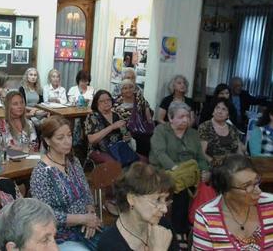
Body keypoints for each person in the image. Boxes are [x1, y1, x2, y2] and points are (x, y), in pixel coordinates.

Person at [30, 115, 102, 251]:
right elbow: (46, 215)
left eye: (69, 135)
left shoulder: (73, 161)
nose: (67, 141)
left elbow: (86, 192)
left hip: (86, 225)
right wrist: (82, 219)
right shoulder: (41, 173)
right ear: (47, 141)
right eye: (60, 138)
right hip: (60, 235)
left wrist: (90, 215)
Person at [149, 101, 209, 247]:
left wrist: (205, 171)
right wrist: (175, 169)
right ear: (170, 118)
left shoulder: (193, 134)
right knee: (180, 187)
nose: (185, 120)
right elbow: (160, 154)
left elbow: (200, 157)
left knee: (208, 184)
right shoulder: (161, 131)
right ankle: (178, 230)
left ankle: (198, 225)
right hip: (164, 169)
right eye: (181, 116)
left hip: (188, 173)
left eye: (187, 116)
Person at [192, 154, 273, 250]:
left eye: (256, 181)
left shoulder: (270, 204)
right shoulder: (206, 217)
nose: (258, 191)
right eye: (247, 186)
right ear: (226, 192)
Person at [97, 162, 177, 251]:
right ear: (131, 199)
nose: (165, 209)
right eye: (157, 200)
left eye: (165, 200)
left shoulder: (164, 226)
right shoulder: (108, 244)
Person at [85, 90, 134, 164]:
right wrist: (112, 127)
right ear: (96, 103)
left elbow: (124, 132)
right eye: (102, 101)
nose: (106, 102)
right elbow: (91, 140)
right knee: (115, 163)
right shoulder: (92, 117)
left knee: (138, 160)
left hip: (118, 148)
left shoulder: (117, 115)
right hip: (99, 150)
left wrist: (126, 136)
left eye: (108, 100)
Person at [198, 98, 244, 164]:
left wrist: (241, 163)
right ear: (213, 111)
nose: (219, 111)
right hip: (211, 165)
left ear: (228, 115)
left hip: (231, 165)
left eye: (224, 109)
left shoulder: (232, 128)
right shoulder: (205, 127)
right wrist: (216, 164)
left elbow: (238, 151)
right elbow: (202, 153)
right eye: (217, 108)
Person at [113, 79, 153, 156]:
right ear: (121, 91)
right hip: (127, 131)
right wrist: (126, 133)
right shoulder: (117, 104)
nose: (128, 90)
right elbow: (117, 121)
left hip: (142, 129)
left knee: (148, 141)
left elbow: (147, 110)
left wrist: (149, 123)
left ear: (134, 88)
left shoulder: (138, 97)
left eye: (131, 87)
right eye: (125, 88)